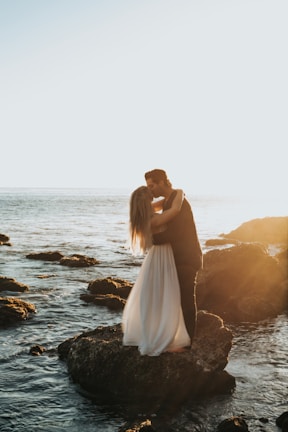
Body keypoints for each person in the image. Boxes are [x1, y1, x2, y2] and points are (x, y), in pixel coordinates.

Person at [122, 185, 191, 356]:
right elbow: (174, 209)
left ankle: (157, 330)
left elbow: (163, 203)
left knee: (155, 295)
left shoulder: (142, 216)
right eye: (150, 195)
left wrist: (167, 196)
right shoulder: (153, 220)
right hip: (162, 257)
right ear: (146, 201)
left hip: (156, 257)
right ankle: (160, 336)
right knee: (165, 295)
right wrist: (180, 191)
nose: (153, 195)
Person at [144, 169, 202, 345]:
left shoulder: (179, 202)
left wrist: (151, 239)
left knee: (185, 299)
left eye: (152, 185)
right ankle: (174, 336)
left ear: (162, 182)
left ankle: (188, 342)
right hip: (176, 258)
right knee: (172, 298)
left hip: (187, 257)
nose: (150, 190)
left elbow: (175, 233)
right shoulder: (169, 200)